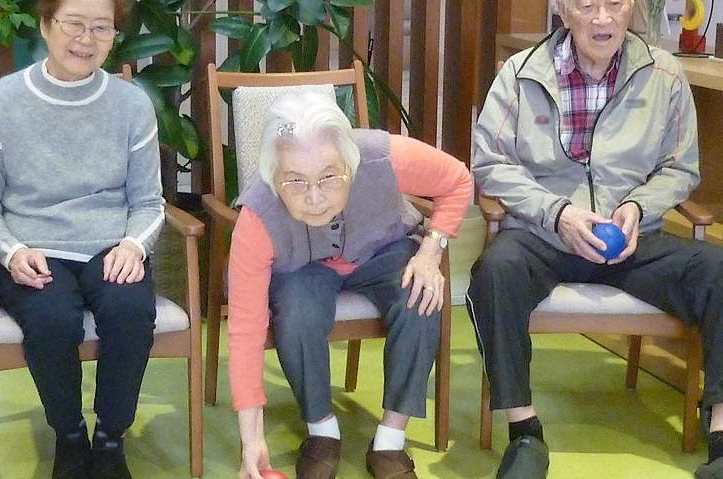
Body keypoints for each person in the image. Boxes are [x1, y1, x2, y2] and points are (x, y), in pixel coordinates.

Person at [468, 0, 723, 477]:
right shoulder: (521, 73)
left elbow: (680, 167)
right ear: (564, 12)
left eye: (615, 4)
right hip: (546, 235)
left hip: (632, 238)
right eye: (587, 5)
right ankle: (525, 434)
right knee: (494, 272)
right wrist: (558, 213)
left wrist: (638, 206)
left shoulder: (664, 74)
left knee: (718, 271)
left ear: (632, 9)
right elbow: (490, 162)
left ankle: (722, 436)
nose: (603, 18)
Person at [0, 0, 164, 477]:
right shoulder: (1, 101)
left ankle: (110, 439)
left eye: (102, 28)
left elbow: (149, 202)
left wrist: (133, 245)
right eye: (73, 23)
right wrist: (11, 251)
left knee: (129, 310)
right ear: (46, 24)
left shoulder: (132, 104)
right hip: (31, 249)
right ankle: (69, 436)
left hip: (111, 246)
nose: (86, 39)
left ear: (114, 36)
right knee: (52, 318)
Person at [227, 92, 472, 479]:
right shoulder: (258, 217)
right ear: (274, 178)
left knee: (420, 296)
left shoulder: (381, 156)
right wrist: (251, 440)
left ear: (350, 162)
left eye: (329, 177)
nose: (315, 197)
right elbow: (245, 332)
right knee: (296, 313)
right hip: (305, 269)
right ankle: (322, 431)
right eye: (295, 181)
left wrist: (431, 250)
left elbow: (457, 180)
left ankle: (391, 439)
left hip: (384, 250)